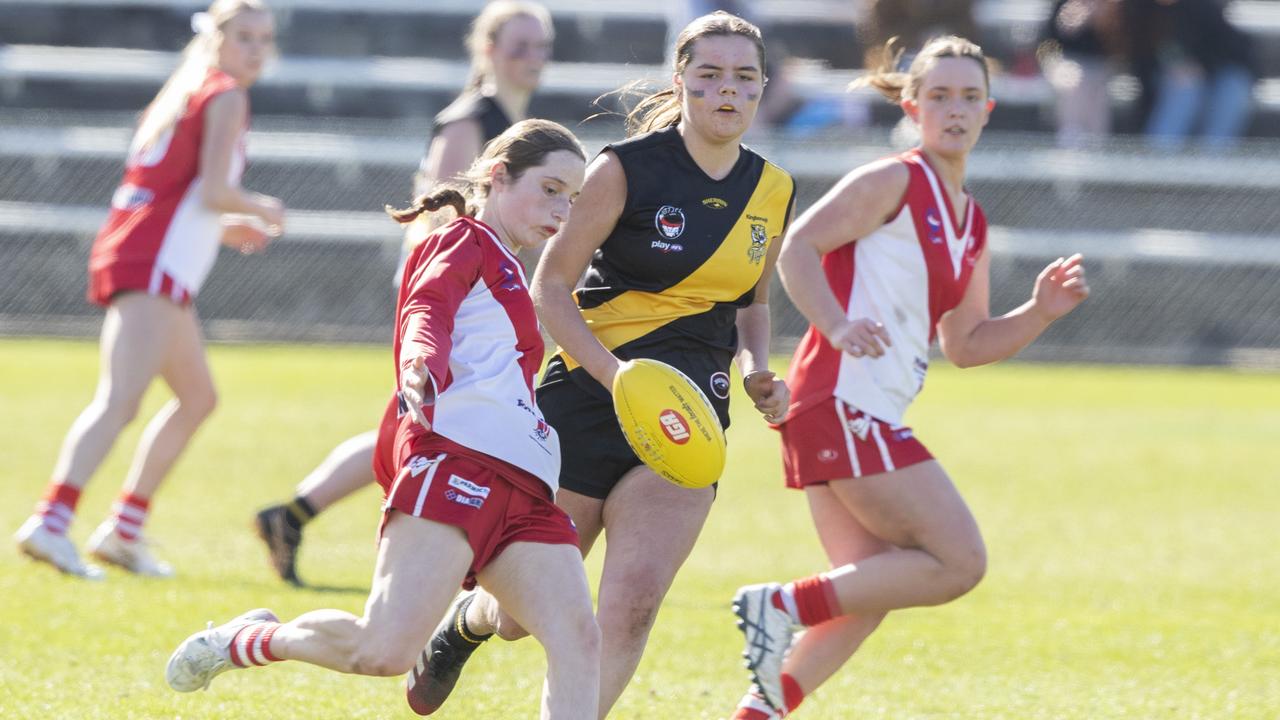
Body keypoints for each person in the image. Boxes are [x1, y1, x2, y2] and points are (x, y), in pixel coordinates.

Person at [408, 11, 794, 718]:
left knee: (632, 603)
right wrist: (618, 377)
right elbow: (549, 287)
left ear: (762, 88)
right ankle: (465, 624)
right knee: (522, 613)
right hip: (587, 396)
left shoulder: (774, 190)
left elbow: (753, 304)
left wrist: (758, 367)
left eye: (744, 78)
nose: (726, 92)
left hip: (687, 413)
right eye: (709, 76)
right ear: (682, 83)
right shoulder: (625, 167)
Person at [165, 119, 599, 720]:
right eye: (550, 189)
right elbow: (427, 307)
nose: (562, 209)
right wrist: (421, 359)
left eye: (572, 198)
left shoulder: (508, 269)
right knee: (383, 652)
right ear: (498, 177)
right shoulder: (463, 240)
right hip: (458, 466)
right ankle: (250, 640)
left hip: (526, 488)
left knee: (578, 638)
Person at [729, 37, 1090, 718]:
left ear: (987, 110)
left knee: (867, 595)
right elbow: (797, 246)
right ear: (913, 106)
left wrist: (1039, 313)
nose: (954, 110)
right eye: (938, 96)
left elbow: (969, 343)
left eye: (967, 97)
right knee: (959, 562)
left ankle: (754, 713)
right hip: (839, 400)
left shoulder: (971, 220)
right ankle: (777, 604)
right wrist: (836, 326)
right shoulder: (893, 179)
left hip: (859, 411)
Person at [253, 0, 554, 586]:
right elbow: (442, 217)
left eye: (541, 46)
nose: (533, 59)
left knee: (424, 416)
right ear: (488, 50)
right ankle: (411, 548)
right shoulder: (471, 118)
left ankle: (293, 516)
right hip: (452, 295)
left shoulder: (507, 121)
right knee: (431, 418)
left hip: (476, 293)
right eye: (520, 46)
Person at [13, 0, 284, 580]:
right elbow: (213, 189)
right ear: (216, 38)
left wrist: (226, 223)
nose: (256, 49)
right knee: (120, 401)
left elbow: (183, 191)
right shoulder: (226, 94)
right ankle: (52, 522)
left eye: (264, 38)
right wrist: (263, 207)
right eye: (244, 37)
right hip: (155, 260)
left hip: (147, 253)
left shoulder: (191, 87)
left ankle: (123, 530)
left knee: (197, 398)